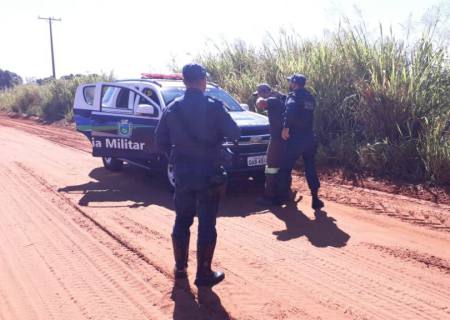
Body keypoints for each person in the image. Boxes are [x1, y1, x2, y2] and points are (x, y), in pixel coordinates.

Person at [155, 63, 240, 287]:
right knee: (207, 223)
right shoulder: (214, 106)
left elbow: (160, 141)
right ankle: (203, 274)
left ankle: (180, 268)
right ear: (203, 81)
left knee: (182, 219)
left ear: (184, 82)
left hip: (183, 174)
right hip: (209, 174)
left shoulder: (172, 108)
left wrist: (176, 156)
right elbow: (234, 132)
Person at [278, 74, 324, 210]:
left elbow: (291, 110)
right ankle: (315, 199)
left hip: (295, 138)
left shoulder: (293, 97)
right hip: (309, 137)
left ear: (294, 83)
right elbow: (304, 111)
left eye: (291, 82)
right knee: (310, 167)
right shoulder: (309, 97)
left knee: (285, 167)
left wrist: (286, 128)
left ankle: (282, 196)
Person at [252, 84, 288, 206]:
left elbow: (261, 104)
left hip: (277, 139)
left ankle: (269, 196)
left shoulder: (272, 100)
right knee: (283, 165)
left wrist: (259, 99)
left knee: (271, 167)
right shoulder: (282, 98)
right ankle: (284, 193)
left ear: (263, 92)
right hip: (286, 138)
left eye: (258, 94)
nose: (257, 97)